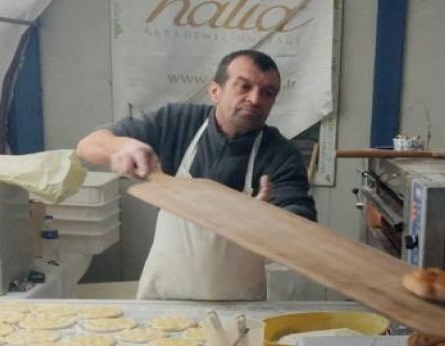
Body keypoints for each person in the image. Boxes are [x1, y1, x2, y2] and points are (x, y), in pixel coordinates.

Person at [77, 49, 317, 301]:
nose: (255, 99)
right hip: (163, 298)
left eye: (267, 93)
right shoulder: (176, 122)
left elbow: (301, 224)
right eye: (244, 86)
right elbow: (87, 146)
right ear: (215, 91)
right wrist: (122, 146)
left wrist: (268, 222)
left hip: (239, 304)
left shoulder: (281, 155)